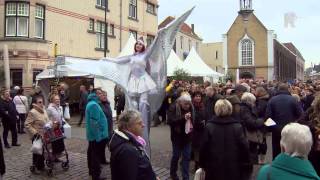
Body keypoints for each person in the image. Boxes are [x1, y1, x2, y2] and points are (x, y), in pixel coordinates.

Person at [199, 99, 251, 180]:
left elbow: (203, 147)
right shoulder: (237, 126)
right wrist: (246, 165)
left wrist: (202, 164)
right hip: (233, 165)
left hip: (214, 166)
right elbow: (244, 147)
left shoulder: (209, 126)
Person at [109, 110, 159, 180]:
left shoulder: (131, 141)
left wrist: (154, 175)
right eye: (139, 123)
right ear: (128, 126)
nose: (143, 125)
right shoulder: (127, 151)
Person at [266, 83, 303, 158]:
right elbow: (301, 115)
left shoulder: (272, 100)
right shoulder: (293, 99)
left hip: (276, 130)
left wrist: (273, 128)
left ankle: (277, 166)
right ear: (288, 89)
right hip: (290, 130)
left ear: (278, 89)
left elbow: (267, 117)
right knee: (290, 150)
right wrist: (295, 125)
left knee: (276, 151)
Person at [167, 92, 194, 180]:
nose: (187, 106)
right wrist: (183, 118)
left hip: (188, 137)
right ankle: (173, 173)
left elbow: (194, 119)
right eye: (185, 104)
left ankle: (185, 177)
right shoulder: (173, 107)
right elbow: (170, 121)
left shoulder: (191, 107)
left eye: (188, 104)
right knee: (176, 156)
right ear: (180, 102)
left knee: (186, 157)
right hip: (177, 137)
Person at [86, 91, 109, 180]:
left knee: (92, 154)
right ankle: (96, 176)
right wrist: (99, 136)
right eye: (99, 93)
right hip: (96, 136)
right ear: (95, 95)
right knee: (96, 156)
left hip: (93, 136)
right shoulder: (93, 105)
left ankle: (92, 171)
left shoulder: (92, 103)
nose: (101, 95)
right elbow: (94, 123)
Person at [24, 95, 49, 173]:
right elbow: (27, 124)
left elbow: (46, 120)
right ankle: (36, 166)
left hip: (44, 134)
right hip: (37, 136)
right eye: (39, 102)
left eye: (42, 102)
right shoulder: (32, 112)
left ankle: (41, 166)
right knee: (37, 151)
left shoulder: (44, 110)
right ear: (35, 103)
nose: (41, 103)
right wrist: (35, 133)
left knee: (42, 151)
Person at [240, 92, 265, 164]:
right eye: (253, 102)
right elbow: (251, 123)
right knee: (250, 157)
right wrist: (262, 120)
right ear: (249, 101)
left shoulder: (245, 108)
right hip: (249, 137)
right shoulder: (245, 110)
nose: (254, 104)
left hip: (247, 136)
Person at [304, 96, 320, 175]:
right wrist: (313, 126)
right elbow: (301, 121)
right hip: (314, 147)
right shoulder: (312, 110)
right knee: (315, 169)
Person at [46, 94, 66, 158]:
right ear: (52, 100)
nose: (58, 100)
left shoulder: (59, 107)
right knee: (54, 144)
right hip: (53, 129)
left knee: (59, 143)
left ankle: (57, 157)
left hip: (59, 128)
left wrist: (63, 121)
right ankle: (53, 157)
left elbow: (60, 116)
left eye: (58, 99)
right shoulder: (50, 108)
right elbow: (47, 119)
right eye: (56, 99)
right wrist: (52, 123)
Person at [96, 89, 113, 165]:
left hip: (109, 128)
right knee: (101, 146)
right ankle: (100, 160)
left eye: (106, 95)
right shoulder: (98, 105)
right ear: (99, 96)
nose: (105, 96)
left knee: (108, 145)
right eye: (103, 95)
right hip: (103, 129)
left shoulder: (107, 103)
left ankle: (103, 159)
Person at [191, 91, 206, 171]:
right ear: (193, 97)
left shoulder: (203, 106)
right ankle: (197, 165)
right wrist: (200, 122)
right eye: (196, 96)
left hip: (202, 131)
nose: (198, 98)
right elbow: (193, 119)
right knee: (196, 149)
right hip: (195, 131)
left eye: (199, 96)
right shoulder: (191, 106)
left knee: (201, 148)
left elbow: (205, 116)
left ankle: (201, 164)